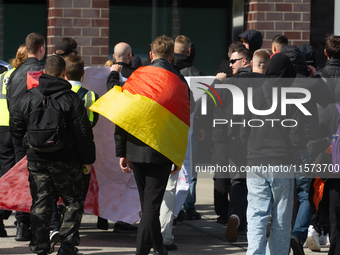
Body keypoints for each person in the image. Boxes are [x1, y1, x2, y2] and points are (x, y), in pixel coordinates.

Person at [110, 35, 191, 255]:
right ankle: (143, 251)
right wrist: (178, 155)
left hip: (136, 148)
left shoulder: (138, 76)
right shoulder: (180, 82)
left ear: (152, 55)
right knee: (151, 205)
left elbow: (123, 115)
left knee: (148, 204)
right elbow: (184, 121)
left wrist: (122, 151)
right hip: (162, 151)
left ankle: (158, 247)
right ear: (172, 56)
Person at [10, 55, 95, 255]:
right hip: (67, 160)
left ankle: (40, 246)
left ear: (43, 73)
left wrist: (27, 145)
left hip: (37, 159)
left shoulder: (28, 97)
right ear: (64, 73)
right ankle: (66, 247)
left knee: (40, 201)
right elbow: (83, 133)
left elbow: (16, 126)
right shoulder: (71, 98)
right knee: (73, 201)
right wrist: (87, 160)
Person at [240, 52, 303, 255]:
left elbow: (243, 131)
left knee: (256, 215)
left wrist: (252, 148)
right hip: (282, 162)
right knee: (282, 219)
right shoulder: (294, 98)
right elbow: (297, 136)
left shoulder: (254, 94)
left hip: (256, 161)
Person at [216, 49, 270, 242]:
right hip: (260, 142)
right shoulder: (268, 84)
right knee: (260, 184)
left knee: (238, 182)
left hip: (236, 139)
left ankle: (235, 216)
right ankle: (257, 223)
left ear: (248, 62)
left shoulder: (232, 82)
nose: (231, 64)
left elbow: (218, 107)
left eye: (233, 61)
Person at [48, 55, 100, 253]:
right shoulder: (91, 96)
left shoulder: (55, 93)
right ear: (83, 73)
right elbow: (92, 123)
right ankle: (69, 241)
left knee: (52, 193)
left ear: (63, 73)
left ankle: (53, 227)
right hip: (79, 154)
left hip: (56, 150)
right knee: (75, 199)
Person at [6, 32, 45, 242]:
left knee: (21, 179)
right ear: (41, 48)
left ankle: (21, 224)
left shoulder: (14, 73)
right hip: (37, 135)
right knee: (39, 181)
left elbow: (11, 105)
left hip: (18, 133)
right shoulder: (40, 71)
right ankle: (37, 225)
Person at [0, 44, 28, 237]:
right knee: (20, 174)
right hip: (19, 128)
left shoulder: (2, 76)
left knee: (3, 173)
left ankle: (1, 217)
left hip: (1, 128)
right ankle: (21, 224)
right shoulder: (28, 76)